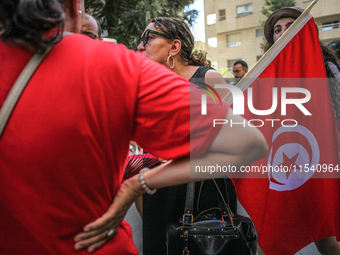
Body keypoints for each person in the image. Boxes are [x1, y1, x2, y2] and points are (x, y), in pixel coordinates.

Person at [0, 1, 268, 255]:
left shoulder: (204, 75)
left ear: (174, 46)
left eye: (149, 37)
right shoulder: (114, 65)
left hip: (199, 179)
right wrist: (138, 180)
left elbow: (231, 124)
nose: (140, 45)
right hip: (153, 185)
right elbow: (244, 141)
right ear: (73, 6)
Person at [263, 6, 340, 255]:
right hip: (284, 160)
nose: (283, 32)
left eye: (290, 26)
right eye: (277, 29)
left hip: (325, 156)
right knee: (275, 230)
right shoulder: (266, 71)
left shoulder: (326, 66)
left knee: (325, 232)